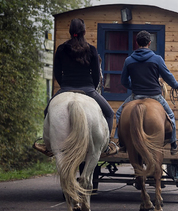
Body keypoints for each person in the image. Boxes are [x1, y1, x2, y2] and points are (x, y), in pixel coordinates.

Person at [33, 18, 118, 156]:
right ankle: (106, 145)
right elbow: (96, 74)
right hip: (88, 89)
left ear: (70, 31)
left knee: (47, 111)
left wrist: (64, 86)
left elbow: (57, 72)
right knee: (109, 113)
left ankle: (47, 145)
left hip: (66, 88)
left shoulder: (61, 49)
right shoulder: (91, 50)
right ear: (84, 32)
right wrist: (92, 87)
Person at [115, 30, 178, 155]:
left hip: (136, 96)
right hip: (155, 96)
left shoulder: (129, 60)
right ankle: (173, 145)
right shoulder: (157, 59)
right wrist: (175, 85)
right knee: (171, 116)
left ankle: (122, 143)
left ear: (137, 43)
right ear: (149, 43)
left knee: (119, 114)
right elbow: (167, 75)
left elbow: (123, 81)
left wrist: (133, 86)